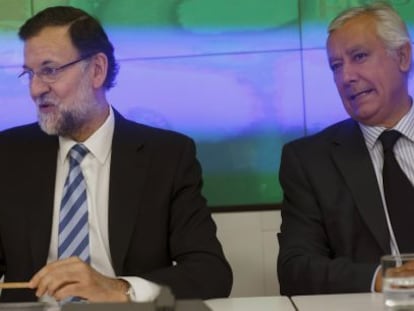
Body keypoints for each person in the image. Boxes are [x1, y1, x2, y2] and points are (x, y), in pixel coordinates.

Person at [0, 5, 232, 303]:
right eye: (29, 73)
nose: (35, 89)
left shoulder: (167, 157)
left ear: (97, 70)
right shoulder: (9, 155)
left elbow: (211, 273)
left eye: (49, 70)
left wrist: (119, 289)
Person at [277, 2, 413, 295]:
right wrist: (386, 279)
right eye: (336, 66)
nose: (346, 77)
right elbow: (295, 268)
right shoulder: (309, 161)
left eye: (359, 56)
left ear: (403, 56)